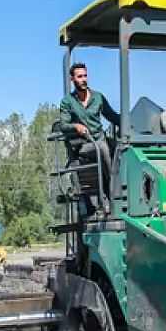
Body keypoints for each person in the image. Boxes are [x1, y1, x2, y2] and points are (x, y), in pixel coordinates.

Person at [59, 62, 120, 217]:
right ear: (73, 80)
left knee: (122, 148)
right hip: (84, 145)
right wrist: (76, 126)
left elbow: (112, 116)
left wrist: (128, 122)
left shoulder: (98, 97)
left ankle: (125, 190)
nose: (84, 79)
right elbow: (64, 125)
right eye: (80, 77)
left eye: (85, 76)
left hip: (100, 138)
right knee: (103, 148)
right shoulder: (68, 101)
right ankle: (113, 196)